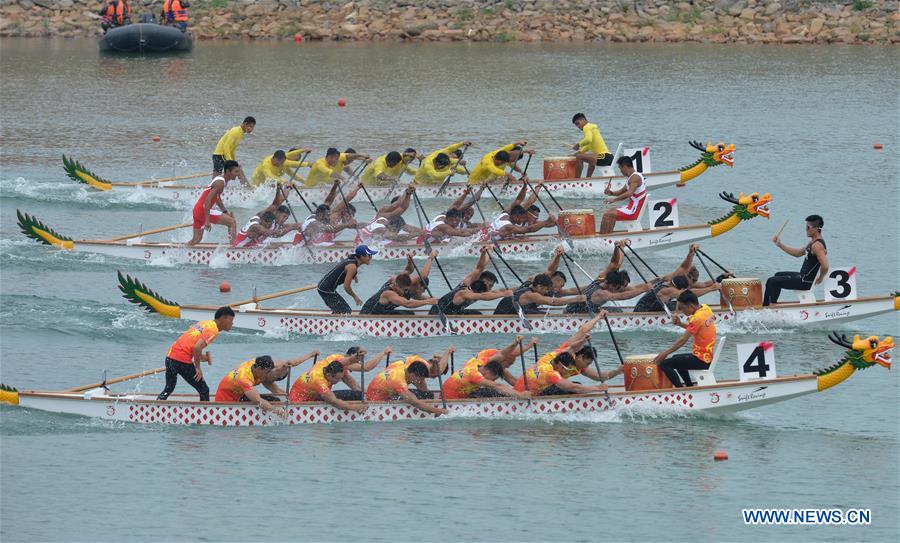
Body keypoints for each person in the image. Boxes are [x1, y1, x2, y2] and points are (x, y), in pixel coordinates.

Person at [514, 313, 622, 395]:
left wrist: (617, 371)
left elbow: (600, 377)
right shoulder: (562, 354)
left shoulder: (576, 365)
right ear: (579, 357)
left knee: (575, 386)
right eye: (587, 363)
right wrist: (598, 317)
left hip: (538, 385)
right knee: (575, 387)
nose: (587, 366)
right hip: (525, 392)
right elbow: (583, 331)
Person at [157, 306, 234, 402]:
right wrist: (198, 367)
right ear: (223, 318)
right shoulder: (213, 330)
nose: (232, 323)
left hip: (170, 356)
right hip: (181, 360)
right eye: (231, 320)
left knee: (168, 388)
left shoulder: (204, 322)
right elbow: (197, 348)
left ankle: (155, 408)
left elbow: (192, 348)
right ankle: (204, 415)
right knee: (204, 390)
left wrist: (203, 357)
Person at [288, 347, 392, 411]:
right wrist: (355, 408)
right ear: (329, 376)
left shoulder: (334, 363)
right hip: (300, 403)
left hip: (311, 395)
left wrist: (358, 355)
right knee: (341, 398)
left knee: (356, 394)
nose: (338, 382)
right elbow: (334, 402)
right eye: (338, 379)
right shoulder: (319, 380)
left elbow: (349, 378)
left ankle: (367, 398)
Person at [632, 244, 725, 312]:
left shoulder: (677, 281)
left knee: (680, 303)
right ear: (688, 276)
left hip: (654, 307)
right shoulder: (669, 287)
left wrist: (720, 279)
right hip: (642, 311)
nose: (695, 283)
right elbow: (690, 294)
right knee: (681, 304)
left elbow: (703, 284)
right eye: (694, 280)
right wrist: (711, 289)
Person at [652, 290, 717, 388]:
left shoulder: (696, 318)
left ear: (691, 306)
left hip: (701, 361)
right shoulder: (706, 309)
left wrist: (665, 353)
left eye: (683, 308)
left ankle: (680, 390)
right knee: (676, 358)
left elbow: (683, 339)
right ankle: (689, 385)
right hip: (707, 357)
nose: (682, 311)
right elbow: (696, 328)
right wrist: (679, 323)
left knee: (664, 364)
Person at [764, 214, 829, 306]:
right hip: (803, 277)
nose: (806, 229)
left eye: (808, 227)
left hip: (805, 282)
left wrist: (821, 278)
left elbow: (825, 266)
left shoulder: (817, 246)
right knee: (777, 275)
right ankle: (772, 304)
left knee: (771, 281)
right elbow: (797, 253)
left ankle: (767, 307)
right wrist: (780, 244)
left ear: (816, 229)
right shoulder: (812, 242)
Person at [430, 247, 510, 315]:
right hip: (437, 313)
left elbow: (480, 269)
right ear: (483, 282)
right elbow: (480, 269)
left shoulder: (478, 289)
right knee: (478, 315)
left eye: (491, 286)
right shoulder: (465, 288)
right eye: (490, 285)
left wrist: (488, 251)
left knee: (478, 314)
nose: (490, 288)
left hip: (453, 312)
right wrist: (504, 294)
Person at [365, 358, 448, 415]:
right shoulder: (398, 380)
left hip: (384, 392)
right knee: (418, 397)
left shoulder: (403, 367)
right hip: (376, 401)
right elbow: (415, 402)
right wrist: (439, 411)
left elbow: (423, 389)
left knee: (426, 394)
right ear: (412, 375)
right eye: (419, 379)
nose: (419, 381)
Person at [187, 160, 240, 246]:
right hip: (203, 210)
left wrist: (225, 212)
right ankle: (233, 248)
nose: (237, 174)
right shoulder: (220, 183)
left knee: (196, 239)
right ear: (228, 171)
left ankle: (182, 251)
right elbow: (207, 201)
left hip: (197, 210)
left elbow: (217, 198)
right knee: (232, 222)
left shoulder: (220, 179)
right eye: (235, 171)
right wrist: (207, 220)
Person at [316, 245, 377, 313]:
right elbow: (346, 287)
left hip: (326, 288)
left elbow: (345, 270)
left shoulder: (352, 260)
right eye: (369, 255)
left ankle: (334, 318)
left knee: (343, 311)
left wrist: (354, 276)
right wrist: (355, 297)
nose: (371, 257)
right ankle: (331, 321)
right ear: (362, 256)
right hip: (325, 289)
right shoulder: (352, 267)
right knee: (345, 312)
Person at [214, 356, 285, 413]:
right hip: (226, 403)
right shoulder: (244, 379)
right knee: (270, 402)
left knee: (274, 400)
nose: (267, 375)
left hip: (239, 395)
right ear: (259, 369)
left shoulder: (255, 363)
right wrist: (277, 411)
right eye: (266, 372)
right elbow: (258, 401)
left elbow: (279, 363)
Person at [493, 272, 585, 315]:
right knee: (546, 315)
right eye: (546, 290)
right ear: (539, 287)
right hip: (502, 315)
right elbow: (553, 302)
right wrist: (576, 299)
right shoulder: (532, 295)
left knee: (542, 313)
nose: (547, 292)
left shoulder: (532, 285)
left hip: (517, 312)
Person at [599, 156, 647, 234]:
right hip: (631, 207)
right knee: (609, 212)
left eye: (620, 168)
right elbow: (621, 191)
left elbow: (629, 193)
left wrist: (614, 200)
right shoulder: (631, 177)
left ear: (624, 167)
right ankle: (606, 235)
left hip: (634, 211)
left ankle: (604, 237)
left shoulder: (635, 177)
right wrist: (610, 193)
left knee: (607, 215)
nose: (620, 171)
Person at [442, 360, 531, 400]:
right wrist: (520, 395)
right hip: (450, 400)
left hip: (451, 395)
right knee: (492, 390)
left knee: (488, 390)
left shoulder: (475, 364)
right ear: (488, 371)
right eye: (493, 379)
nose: (492, 381)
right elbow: (497, 386)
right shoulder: (474, 374)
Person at [360, 272, 438, 315]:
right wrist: (428, 302)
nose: (405, 292)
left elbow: (419, 297)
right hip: (369, 316)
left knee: (409, 313)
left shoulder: (398, 281)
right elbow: (407, 304)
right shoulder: (389, 293)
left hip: (382, 313)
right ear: (397, 286)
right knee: (409, 314)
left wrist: (438, 300)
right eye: (404, 290)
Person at [212, 117, 255, 183]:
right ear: (245, 124)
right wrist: (230, 161)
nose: (251, 129)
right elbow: (226, 147)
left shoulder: (241, 133)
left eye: (253, 127)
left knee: (218, 175)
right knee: (237, 170)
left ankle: (215, 188)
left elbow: (232, 149)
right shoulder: (236, 131)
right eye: (250, 126)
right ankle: (247, 188)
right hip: (220, 155)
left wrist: (234, 161)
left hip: (221, 155)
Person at [571, 113, 612, 177]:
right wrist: (579, 152)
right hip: (608, 157)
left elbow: (588, 139)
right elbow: (588, 145)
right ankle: (588, 179)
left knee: (579, 157)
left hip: (604, 156)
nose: (578, 127)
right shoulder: (591, 127)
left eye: (578, 124)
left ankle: (577, 179)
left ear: (583, 119)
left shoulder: (586, 127)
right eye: (576, 125)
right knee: (587, 157)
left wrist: (578, 144)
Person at [305, 148, 370, 187]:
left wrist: (364, 157)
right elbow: (332, 173)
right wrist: (344, 179)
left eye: (337, 159)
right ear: (329, 157)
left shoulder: (338, 157)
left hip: (326, 184)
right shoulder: (320, 163)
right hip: (312, 187)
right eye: (335, 159)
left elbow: (349, 157)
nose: (336, 161)